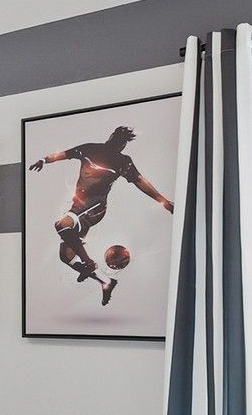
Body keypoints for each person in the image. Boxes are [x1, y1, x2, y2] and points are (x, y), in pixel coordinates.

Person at [28, 125, 174, 306]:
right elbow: (65, 154)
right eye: (117, 139)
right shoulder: (90, 148)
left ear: (124, 145)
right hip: (79, 207)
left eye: (123, 142)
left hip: (95, 208)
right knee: (66, 256)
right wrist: (44, 159)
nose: (119, 144)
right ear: (111, 136)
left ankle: (89, 264)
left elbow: (140, 181)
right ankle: (106, 282)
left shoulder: (123, 162)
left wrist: (164, 201)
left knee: (62, 225)